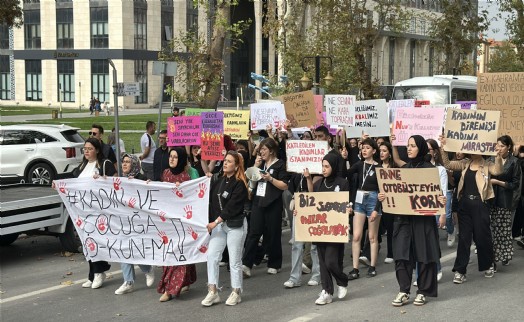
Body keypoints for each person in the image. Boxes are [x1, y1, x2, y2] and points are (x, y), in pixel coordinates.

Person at [380, 135, 444, 307]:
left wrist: (441, 201)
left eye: (413, 146)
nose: (408, 148)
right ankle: (403, 290)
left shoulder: (429, 169)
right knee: (401, 254)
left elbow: (436, 194)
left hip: (422, 220)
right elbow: (395, 192)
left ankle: (423, 291)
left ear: (420, 148)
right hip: (403, 219)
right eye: (408, 145)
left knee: (423, 254)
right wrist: (384, 196)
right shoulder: (403, 170)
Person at [439, 135, 503, 284]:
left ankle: (487, 265)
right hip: (465, 205)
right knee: (464, 238)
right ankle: (460, 270)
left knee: (482, 237)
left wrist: (498, 156)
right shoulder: (465, 163)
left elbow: (498, 171)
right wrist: (443, 147)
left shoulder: (487, 164)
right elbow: (448, 164)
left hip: (481, 205)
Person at [301, 154, 350, 305]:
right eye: (322, 166)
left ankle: (342, 280)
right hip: (321, 229)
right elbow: (310, 202)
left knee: (330, 261)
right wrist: (300, 210)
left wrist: (349, 209)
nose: (324, 169)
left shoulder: (342, 183)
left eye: (327, 166)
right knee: (322, 262)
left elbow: (347, 202)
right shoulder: (318, 183)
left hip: (335, 229)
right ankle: (327, 291)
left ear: (334, 166)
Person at [201, 151, 249, 307]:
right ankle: (213, 291)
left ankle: (236, 292)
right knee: (212, 256)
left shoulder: (240, 184)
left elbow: (231, 208)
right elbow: (211, 202)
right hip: (219, 225)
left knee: (234, 261)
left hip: (235, 225)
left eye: (229, 161)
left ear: (236, 166)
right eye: (225, 160)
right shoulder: (218, 180)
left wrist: (215, 222)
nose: (226, 163)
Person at [71, 138, 116, 289]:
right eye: (85, 149)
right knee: (87, 243)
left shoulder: (105, 164)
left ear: (97, 150)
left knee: (96, 242)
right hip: (83, 212)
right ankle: (92, 274)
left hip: (99, 213)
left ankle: (99, 272)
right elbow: (72, 180)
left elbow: (115, 182)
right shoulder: (83, 165)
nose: (86, 151)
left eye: (90, 149)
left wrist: (103, 179)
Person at [242, 138, 290, 277]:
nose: (261, 152)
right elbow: (251, 183)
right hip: (258, 201)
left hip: (273, 202)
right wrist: (255, 167)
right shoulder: (260, 164)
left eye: (264, 149)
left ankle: (274, 263)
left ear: (271, 150)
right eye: (260, 149)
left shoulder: (280, 164)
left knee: (273, 233)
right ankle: (246, 264)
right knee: (254, 232)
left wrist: (270, 179)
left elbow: (285, 185)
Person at [157, 147, 199, 302]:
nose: (172, 159)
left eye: (175, 157)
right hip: (168, 221)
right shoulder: (166, 173)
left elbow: (196, 196)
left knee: (181, 253)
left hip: (184, 221)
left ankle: (170, 289)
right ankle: (179, 282)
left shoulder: (188, 175)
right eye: (170, 156)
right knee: (168, 253)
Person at [114, 153, 155, 295]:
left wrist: (144, 184)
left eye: (127, 162)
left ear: (135, 164)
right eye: (123, 162)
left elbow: (149, 195)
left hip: (138, 222)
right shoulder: (120, 180)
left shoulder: (142, 179)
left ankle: (147, 269)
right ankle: (128, 282)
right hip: (123, 222)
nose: (124, 164)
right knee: (124, 250)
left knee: (135, 250)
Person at [346, 137, 381, 280]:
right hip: (359, 200)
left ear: (374, 150)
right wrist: (344, 159)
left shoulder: (379, 168)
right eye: (363, 148)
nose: (364, 150)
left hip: (373, 200)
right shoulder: (359, 165)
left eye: (368, 148)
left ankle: (372, 266)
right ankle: (355, 269)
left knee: (372, 237)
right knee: (357, 236)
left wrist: (376, 209)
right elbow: (345, 174)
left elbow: (382, 191)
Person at [488, 135, 522, 268]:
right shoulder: (490, 159)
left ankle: (504, 254)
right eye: (498, 145)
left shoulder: (514, 162)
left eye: (502, 146)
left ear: (508, 147)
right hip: (490, 199)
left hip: (505, 201)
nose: (499, 148)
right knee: (492, 231)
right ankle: (493, 259)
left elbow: (515, 184)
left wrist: (498, 182)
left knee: (503, 230)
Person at [378, 142, 397, 264]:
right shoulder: (376, 167)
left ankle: (391, 252)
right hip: (377, 200)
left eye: (384, 151)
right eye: (380, 150)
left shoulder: (394, 167)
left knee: (391, 228)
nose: (381, 153)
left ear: (390, 153)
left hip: (391, 202)